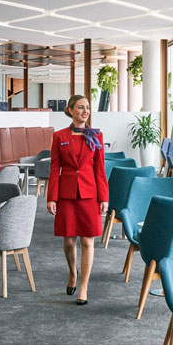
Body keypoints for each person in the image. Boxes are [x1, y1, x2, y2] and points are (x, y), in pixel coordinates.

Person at [47, 95, 108, 305]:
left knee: (87, 241)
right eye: (81, 107)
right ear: (71, 110)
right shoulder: (59, 136)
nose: (85, 111)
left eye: (88, 108)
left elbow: (100, 169)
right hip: (66, 195)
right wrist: (51, 197)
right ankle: (73, 272)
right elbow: (55, 168)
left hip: (90, 195)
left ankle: (84, 286)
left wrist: (104, 197)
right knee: (69, 241)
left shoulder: (96, 136)